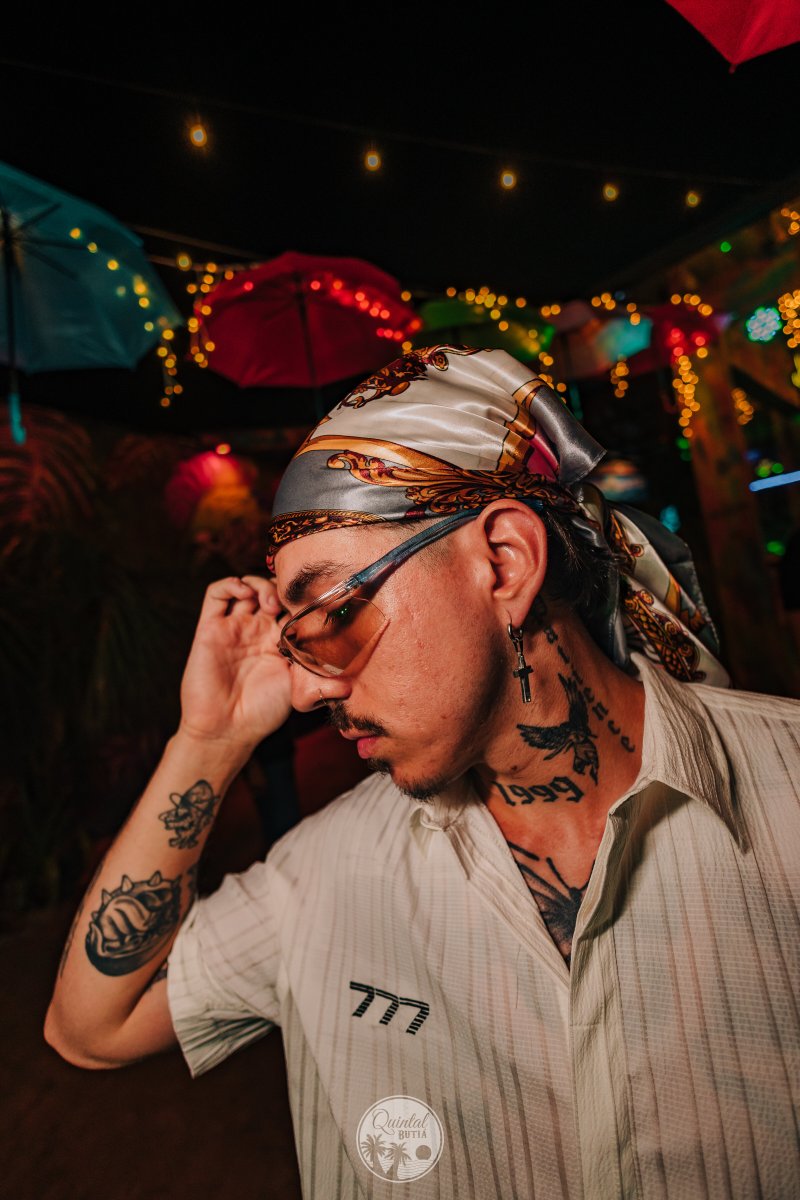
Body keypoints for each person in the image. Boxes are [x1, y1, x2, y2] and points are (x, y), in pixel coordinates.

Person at [45, 347, 800, 1199]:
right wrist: (210, 740)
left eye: (335, 611)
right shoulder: (326, 873)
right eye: (300, 639)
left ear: (504, 561)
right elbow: (91, 1027)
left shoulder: (788, 790)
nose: (313, 688)